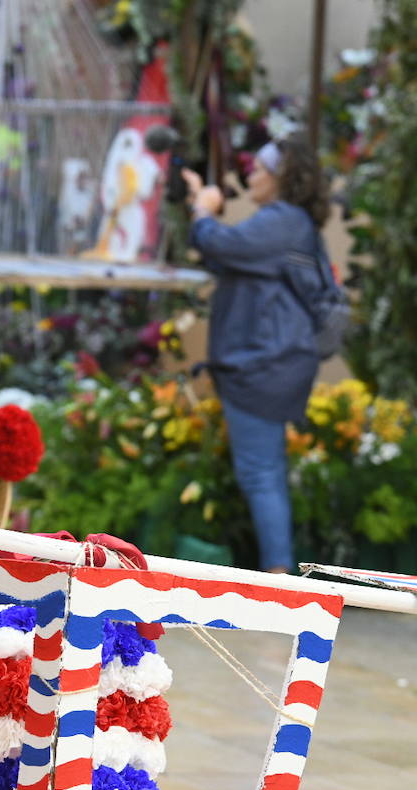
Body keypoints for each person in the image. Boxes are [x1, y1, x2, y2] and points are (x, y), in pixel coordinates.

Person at [183, 136, 328, 574]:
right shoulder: (285, 223)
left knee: (259, 473)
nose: (251, 173)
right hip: (273, 361)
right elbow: (230, 257)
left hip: (264, 364)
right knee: (263, 470)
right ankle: (279, 576)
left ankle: (279, 581)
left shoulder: (283, 220)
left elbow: (221, 246)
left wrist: (203, 210)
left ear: (282, 176)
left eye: (261, 167)